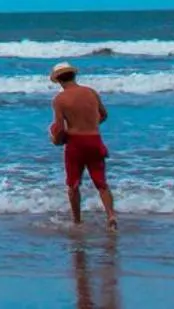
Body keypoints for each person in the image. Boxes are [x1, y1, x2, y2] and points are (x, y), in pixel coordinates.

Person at [50, 61, 116, 229]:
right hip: (94, 139)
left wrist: (56, 139)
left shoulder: (60, 99)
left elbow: (58, 128)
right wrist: (90, 126)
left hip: (75, 143)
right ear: (73, 75)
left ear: (58, 80)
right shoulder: (91, 92)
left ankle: (77, 221)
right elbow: (104, 115)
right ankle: (111, 216)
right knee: (101, 183)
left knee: (73, 185)